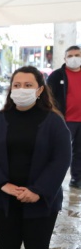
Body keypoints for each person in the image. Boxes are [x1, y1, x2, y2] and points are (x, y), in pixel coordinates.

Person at [0, 66, 71, 249]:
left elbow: (61, 159)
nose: (21, 89)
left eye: (28, 85)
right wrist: (3, 184)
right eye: (17, 85)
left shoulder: (54, 122)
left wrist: (38, 191)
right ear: (10, 89)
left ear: (40, 89)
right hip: (5, 200)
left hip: (41, 202)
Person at [47, 45, 81, 189]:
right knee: (59, 151)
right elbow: (47, 96)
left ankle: (76, 179)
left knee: (79, 151)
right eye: (71, 56)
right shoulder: (56, 76)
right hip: (64, 120)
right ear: (65, 58)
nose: (74, 58)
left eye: (77, 55)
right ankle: (52, 179)